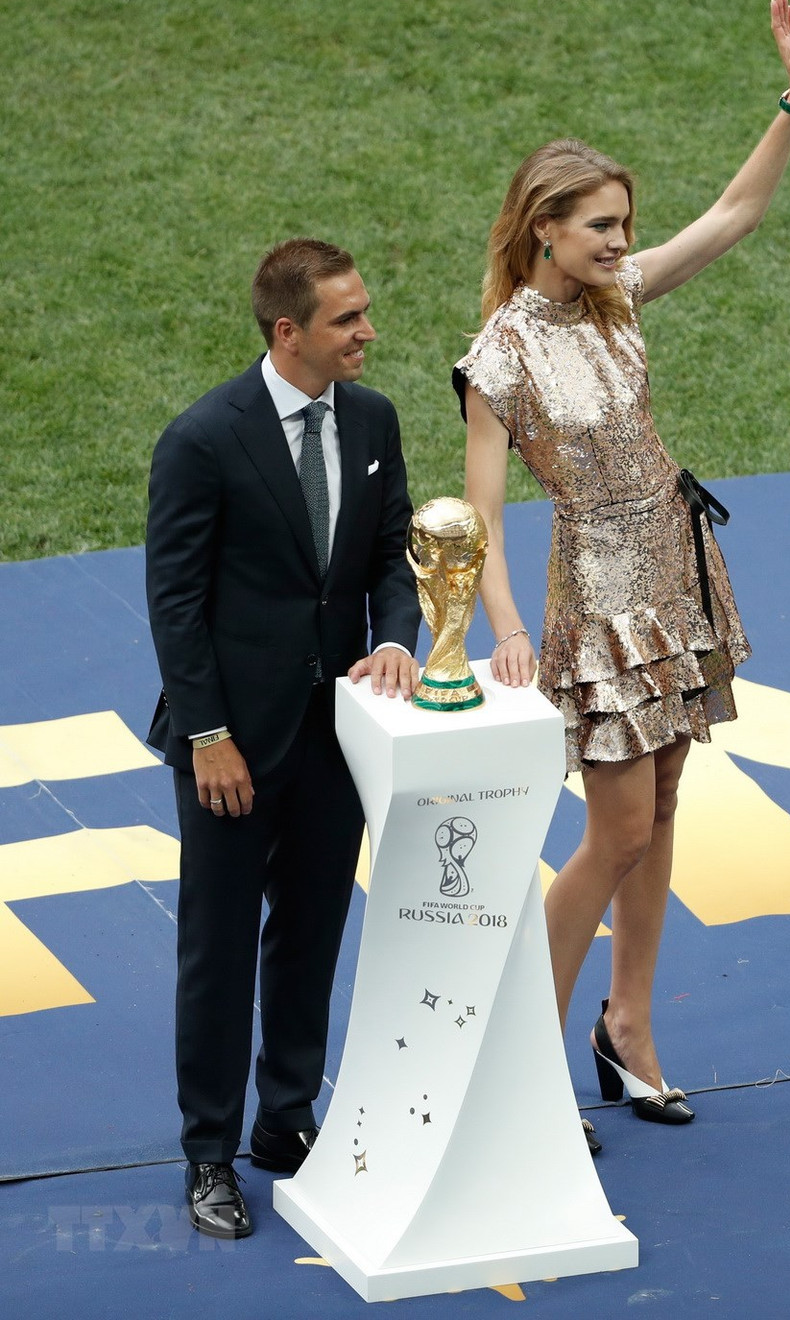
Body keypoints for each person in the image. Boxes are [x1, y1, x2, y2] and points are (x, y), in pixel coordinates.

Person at [457, 0, 790, 1148]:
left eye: (623, 223)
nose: (619, 240)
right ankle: (520, 1050)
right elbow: (482, 509)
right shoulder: (498, 356)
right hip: (596, 603)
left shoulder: (618, 300)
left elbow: (735, 214)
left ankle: (632, 1027)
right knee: (613, 833)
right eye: (598, 225)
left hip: (674, 569)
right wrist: (503, 625)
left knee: (660, 809)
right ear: (542, 228)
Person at [145, 238, 421, 1237]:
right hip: (232, 743)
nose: (368, 333)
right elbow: (175, 604)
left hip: (331, 737)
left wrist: (394, 643)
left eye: (364, 313)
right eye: (348, 319)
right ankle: (209, 1153)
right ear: (287, 330)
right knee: (218, 951)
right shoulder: (203, 439)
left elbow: (391, 558)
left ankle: (287, 1120)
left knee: (309, 935)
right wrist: (208, 736)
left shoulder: (376, 419)